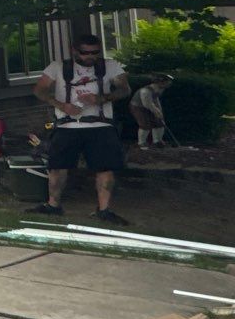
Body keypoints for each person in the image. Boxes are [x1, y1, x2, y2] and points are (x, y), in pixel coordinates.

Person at [28, 34, 130, 223]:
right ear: (74, 50)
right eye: (85, 52)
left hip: (100, 125)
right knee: (57, 166)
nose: (90, 57)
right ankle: (53, 205)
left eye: (95, 53)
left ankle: (104, 209)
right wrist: (59, 104)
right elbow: (39, 89)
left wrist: (101, 99)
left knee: (105, 167)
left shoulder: (111, 66)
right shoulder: (58, 67)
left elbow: (124, 89)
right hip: (67, 125)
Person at [129, 73, 173, 148]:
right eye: (167, 82)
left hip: (150, 105)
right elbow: (147, 104)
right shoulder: (145, 91)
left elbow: (156, 99)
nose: (169, 84)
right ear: (160, 82)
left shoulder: (160, 89)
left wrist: (159, 111)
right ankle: (141, 143)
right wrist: (156, 111)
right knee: (145, 124)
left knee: (159, 122)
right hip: (138, 107)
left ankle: (157, 141)